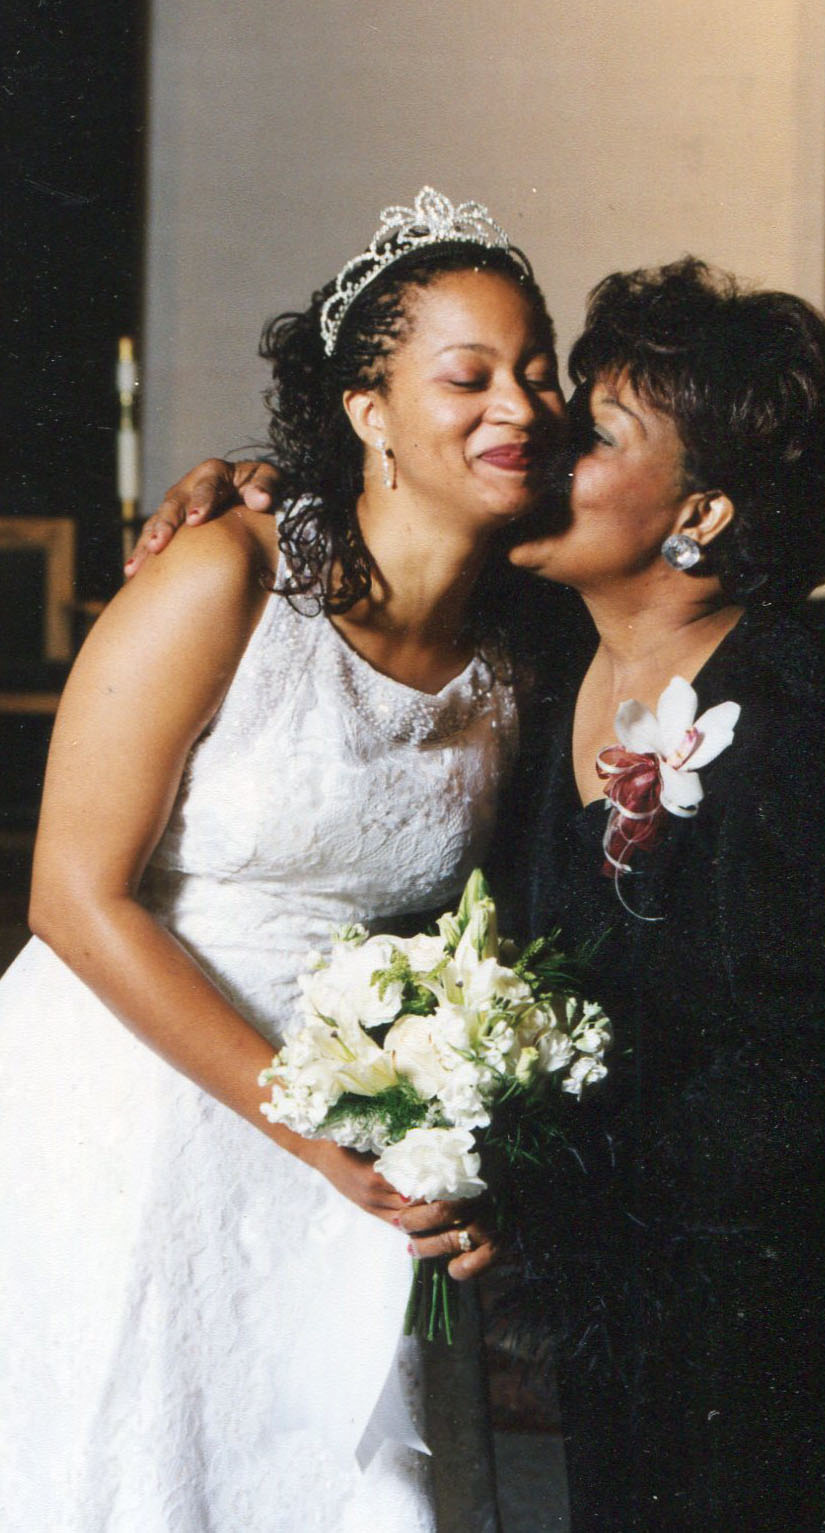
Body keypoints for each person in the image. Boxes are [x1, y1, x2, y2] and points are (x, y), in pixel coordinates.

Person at [155, 258, 825, 1529]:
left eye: (590, 434)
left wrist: (537, 1212)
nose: (537, 443)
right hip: (619, 1360)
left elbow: (809, 1091)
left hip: (773, 1364)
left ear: (700, 515)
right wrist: (257, 484)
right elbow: (382, 534)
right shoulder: (539, 660)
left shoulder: (803, 732)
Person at [0, 188, 566, 1533]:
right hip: (135, 1105)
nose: (521, 405)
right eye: (470, 375)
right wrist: (317, 1132)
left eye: (537, 371)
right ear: (368, 411)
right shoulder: (225, 578)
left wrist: (422, 1147)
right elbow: (73, 896)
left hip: (355, 1147)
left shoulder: (514, 658)